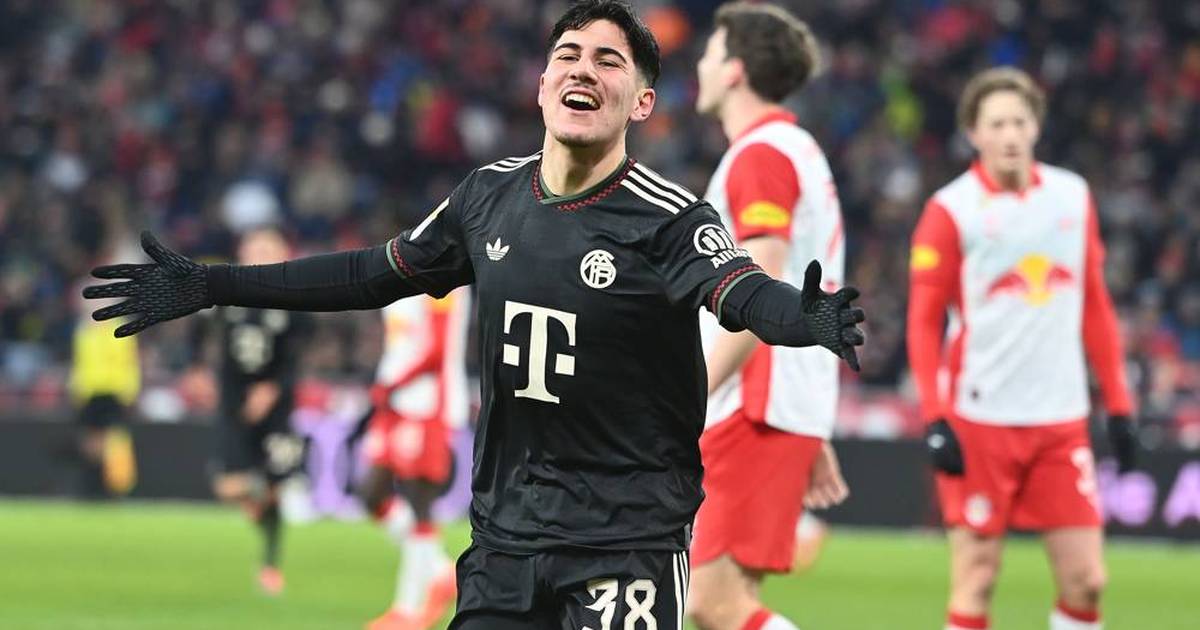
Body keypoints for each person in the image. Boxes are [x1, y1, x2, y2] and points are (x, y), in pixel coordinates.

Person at [82, 2, 866, 627]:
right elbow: (368, 274)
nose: (583, 68)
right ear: (542, 84)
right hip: (505, 539)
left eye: (609, 61)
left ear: (642, 102)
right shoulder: (487, 196)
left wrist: (804, 318)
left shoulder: (669, 217)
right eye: (568, 54)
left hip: (625, 542)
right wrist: (214, 285)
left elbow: (740, 291)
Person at [906, 67, 1137, 630]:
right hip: (981, 418)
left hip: (1060, 420)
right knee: (977, 579)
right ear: (973, 133)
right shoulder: (950, 209)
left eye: (1019, 121)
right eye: (996, 124)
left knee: (1087, 580)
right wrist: (934, 416)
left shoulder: (1072, 197)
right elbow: (923, 322)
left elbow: (1095, 305)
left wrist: (1119, 403)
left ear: (1036, 126)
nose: (1009, 134)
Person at [688, 5, 850, 630]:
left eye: (710, 53)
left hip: (755, 401)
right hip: (780, 400)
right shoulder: (797, 148)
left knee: (711, 604)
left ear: (734, 70)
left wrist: (690, 391)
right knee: (725, 602)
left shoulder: (761, 155)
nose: (700, 65)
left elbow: (761, 290)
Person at [207, 227, 310, 595]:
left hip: (276, 409)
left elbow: (297, 357)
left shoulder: (296, 299)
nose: (261, 254)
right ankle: (260, 489)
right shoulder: (226, 296)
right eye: (256, 248)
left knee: (276, 490)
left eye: (269, 248)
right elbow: (213, 343)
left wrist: (273, 389)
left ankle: (270, 565)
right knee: (227, 487)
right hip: (234, 405)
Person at [361, 288, 471, 630]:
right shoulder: (403, 271)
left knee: (419, 502)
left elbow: (437, 349)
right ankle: (439, 570)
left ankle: (408, 610)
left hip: (428, 404)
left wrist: (395, 383)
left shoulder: (443, 281)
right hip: (396, 402)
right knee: (371, 493)